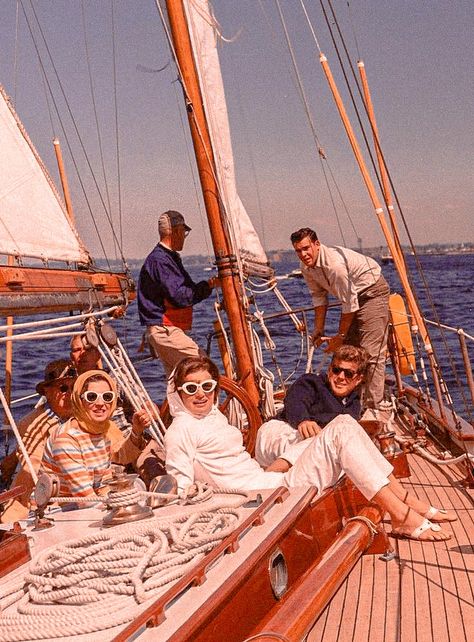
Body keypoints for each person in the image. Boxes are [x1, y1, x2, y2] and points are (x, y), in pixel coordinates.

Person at [164, 356, 455, 542]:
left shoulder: (212, 416)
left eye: (206, 386)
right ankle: (402, 514)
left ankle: (406, 503)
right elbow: (181, 485)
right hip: (263, 497)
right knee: (341, 428)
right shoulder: (181, 429)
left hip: (267, 480)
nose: (200, 394)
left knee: (346, 424)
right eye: (190, 389)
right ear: (178, 393)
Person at [290, 227, 390, 410]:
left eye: (306, 248)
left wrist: (340, 336)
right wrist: (318, 329)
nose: (303, 254)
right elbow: (319, 297)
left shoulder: (334, 266)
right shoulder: (306, 268)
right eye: (298, 251)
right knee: (349, 352)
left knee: (371, 351)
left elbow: (349, 303)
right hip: (352, 296)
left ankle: (372, 407)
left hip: (372, 292)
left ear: (317, 244)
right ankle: (351, 399)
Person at [256, 345, 368, 469]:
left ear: (358, 379)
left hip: (309, 442)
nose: (341, 377)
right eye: (336, 370)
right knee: (319, 442)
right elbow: (295, 400)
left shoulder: (354, 403)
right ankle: (271, 474)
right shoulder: (312, 383)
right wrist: (303, 421)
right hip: (280, 432)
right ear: (330, 370)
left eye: (348, 373)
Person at [137, 210, 218, 376]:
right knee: (204, 369)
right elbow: (180, 296)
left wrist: (208, 286)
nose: (184, 237)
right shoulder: (161, 260)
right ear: (176, 232)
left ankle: (176, 403)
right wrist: (208, 286)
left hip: (166, 330)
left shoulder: (166, 258)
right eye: (184, 232)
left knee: (178, 381)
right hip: (165, 330)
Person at [42, 370, 146, 497]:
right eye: (92, 397)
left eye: (107, 397)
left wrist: (137, 431)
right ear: (79, 400)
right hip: (61, 509)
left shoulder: (102, 429)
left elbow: (106, 480)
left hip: (92, 503)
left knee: (138, 485)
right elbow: (85, 499)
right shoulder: (66, 439)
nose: (100, 403)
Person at [0, 359, 76, 523]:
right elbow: (35, 473)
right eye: (63, 388)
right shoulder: (32, 425)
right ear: (47, 392)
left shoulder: (85, 414)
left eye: (73, 387)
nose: (69, 393)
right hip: (42, 499)